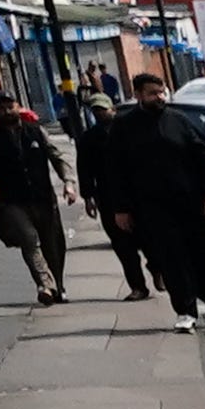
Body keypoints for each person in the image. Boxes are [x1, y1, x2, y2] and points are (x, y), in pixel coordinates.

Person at [117, 95, 205, 329]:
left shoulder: (179, 121)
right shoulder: (125, 127)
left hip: (191, 204)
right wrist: (122, 208)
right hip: (154, 207)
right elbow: (117, 170)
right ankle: (185, 311)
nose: (159, 97)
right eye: (152, 92)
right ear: (140, 94)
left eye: (161, 91)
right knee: (171, 259)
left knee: (201, 257)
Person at [0, 96, 70, 304]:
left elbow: (56, 157)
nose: (7, 112)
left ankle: (58, 286)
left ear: (18, 107)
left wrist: (68, 182)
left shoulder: (35, 131)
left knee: (53, 245)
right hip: (13, 201)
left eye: (10, 107)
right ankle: (45, 284)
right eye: (1, 108)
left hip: (43, 198)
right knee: (29, 239)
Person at [71, 93, 158, 301]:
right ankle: (138, 286)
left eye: (103, 108)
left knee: (149, 238)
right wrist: (88, 197)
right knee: (122, 245)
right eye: (96, 110)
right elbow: (84, 170)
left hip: (137, 196)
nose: (100, 113)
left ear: (113, 109)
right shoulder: (89, 138)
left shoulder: (130, 130)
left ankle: (157, 268)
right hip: (108, 198)